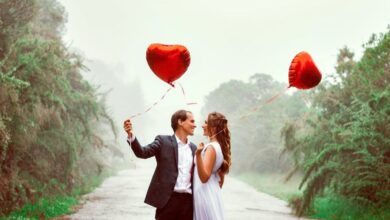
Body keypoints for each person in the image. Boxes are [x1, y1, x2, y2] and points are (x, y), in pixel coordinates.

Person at [124, 110, 197, 220]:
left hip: (188, 204)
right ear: (180, 122)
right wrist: (131, 135)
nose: (195, 125)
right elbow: (142, 152)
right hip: (167, 202)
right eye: (192, 121)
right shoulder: (163, 141)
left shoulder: (194, 148)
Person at [193, 112, 231, 220]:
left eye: (206, 123)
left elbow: (204, 177)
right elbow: (220, 181)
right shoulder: (218, 146)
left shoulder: (211, 148)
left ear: (213, 128)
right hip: (211, 193)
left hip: (204, 194)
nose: (202, 125)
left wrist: (198, 154)